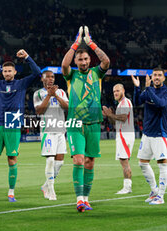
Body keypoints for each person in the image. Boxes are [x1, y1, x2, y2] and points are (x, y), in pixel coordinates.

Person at [0, 48, 41, 202]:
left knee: (12, 159)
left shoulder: (22, 83)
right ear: (2, 72)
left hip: (13, 123)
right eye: (4, 71)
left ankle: (11, 192)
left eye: (10, 71)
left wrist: (28, 57)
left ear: (15, 72)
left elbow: (37, 73)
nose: (7, 73)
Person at [61, 26, 110, 212]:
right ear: (76, 60)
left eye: (86, 58)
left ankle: (86, 198)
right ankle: (79, 199)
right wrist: (75, 44)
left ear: (90, 60)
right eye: (80, 59)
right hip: (75, 123)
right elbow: (64, 66)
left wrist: (90, 43)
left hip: (94, 123)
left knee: (90, 162)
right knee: (79, 160)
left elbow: (106, 60)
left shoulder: (97, 73)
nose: (83, 61)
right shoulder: (70, 75)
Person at [131, 68, 167, 205]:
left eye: (159, 75)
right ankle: (154, 191)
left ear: (163, 78)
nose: (156, 77)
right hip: (147, 133)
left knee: (162, 164)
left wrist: (148, 89)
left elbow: (160, 103)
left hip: (160, 134)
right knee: (142, 163)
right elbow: (137, 102)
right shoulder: (148, 90)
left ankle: (161, 196)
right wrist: (137, 88)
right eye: (154, 75)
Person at [33, 70, 68, 201]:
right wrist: (48, 95)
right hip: (47, 131)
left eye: (52, 77)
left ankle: (45, 185)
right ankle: (51, 191)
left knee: (60, 162)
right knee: (50, 160)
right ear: (42, 79)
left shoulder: (61, 92)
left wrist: (56, 96)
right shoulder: (38, 94)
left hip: (60, 131)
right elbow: (39, 110)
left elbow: (68, 107)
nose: (50, 79)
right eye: (47, 77)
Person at [102, 84, 134, 194]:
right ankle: (127, 186)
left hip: (125, 136)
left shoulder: (125, 102)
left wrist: (111, 114)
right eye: (114, 91)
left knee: (124, 161)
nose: (115, 93)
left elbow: (123, 118)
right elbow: (115, 122)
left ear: (123, 91)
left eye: (118, 91)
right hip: (122, 135)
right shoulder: (121, 104)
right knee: (123, 161)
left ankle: (127, 187)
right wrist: (109, 115)